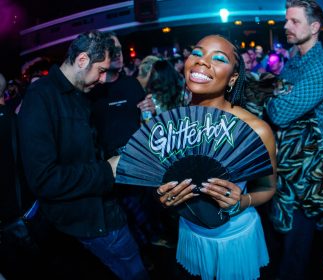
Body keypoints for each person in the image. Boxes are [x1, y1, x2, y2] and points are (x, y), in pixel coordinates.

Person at [17, 30, 148, 280]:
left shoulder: (81, 93)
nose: (102, 79)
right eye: (100, 70)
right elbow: (43, 179)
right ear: (82, 60)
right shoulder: (41, 97)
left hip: (104, 209)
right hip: (88, 220)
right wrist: (106, 171)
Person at [151, 34, 276, 280]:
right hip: (190, 230)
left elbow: (268, 188)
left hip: (232, 237)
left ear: (233, 78)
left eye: (218, 58)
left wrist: (242, 201)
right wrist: (162, 196)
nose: (202, 62)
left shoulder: (255, 129)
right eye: (197, 53)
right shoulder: (173, 124)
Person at [265, 1, 323, 279]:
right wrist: (275, 92)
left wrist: (273, 94)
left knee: (296, 248)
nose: (286, 26)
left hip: (307, 171)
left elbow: (280, 112)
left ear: (315, 27)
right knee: (280, 236)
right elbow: (274, 92)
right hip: (286, 163)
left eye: (294, 21)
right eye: (287, 20)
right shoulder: (295, 60)